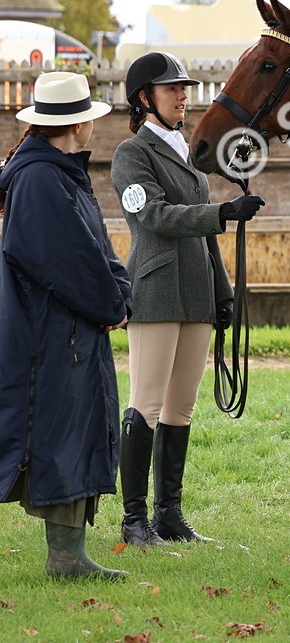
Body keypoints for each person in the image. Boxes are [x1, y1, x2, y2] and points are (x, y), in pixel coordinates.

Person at [110, 52, 265, 547]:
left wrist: (224, 293)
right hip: (156, 291)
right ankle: (134, 520)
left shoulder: (184, 152)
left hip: (197, 291)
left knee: (182, 408)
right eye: (171, 88)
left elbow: (204, 238)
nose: (183, 95)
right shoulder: (132, 155)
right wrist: (222, 211)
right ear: (143, 98)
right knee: (147, 403)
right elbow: (155, 216)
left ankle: (169, 516)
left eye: (183, 87)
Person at [0, 72, 132, 580]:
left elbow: (96, 249)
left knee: (70, 434)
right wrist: (110, 304)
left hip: (70, 331)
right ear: (77, 123)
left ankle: (67, 555)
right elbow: (63, 260)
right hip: (51, 333)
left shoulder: (59, 172)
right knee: (54, 437)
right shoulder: (39, 178)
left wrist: (119, 293)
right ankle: (66, 558)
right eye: (90, 118)